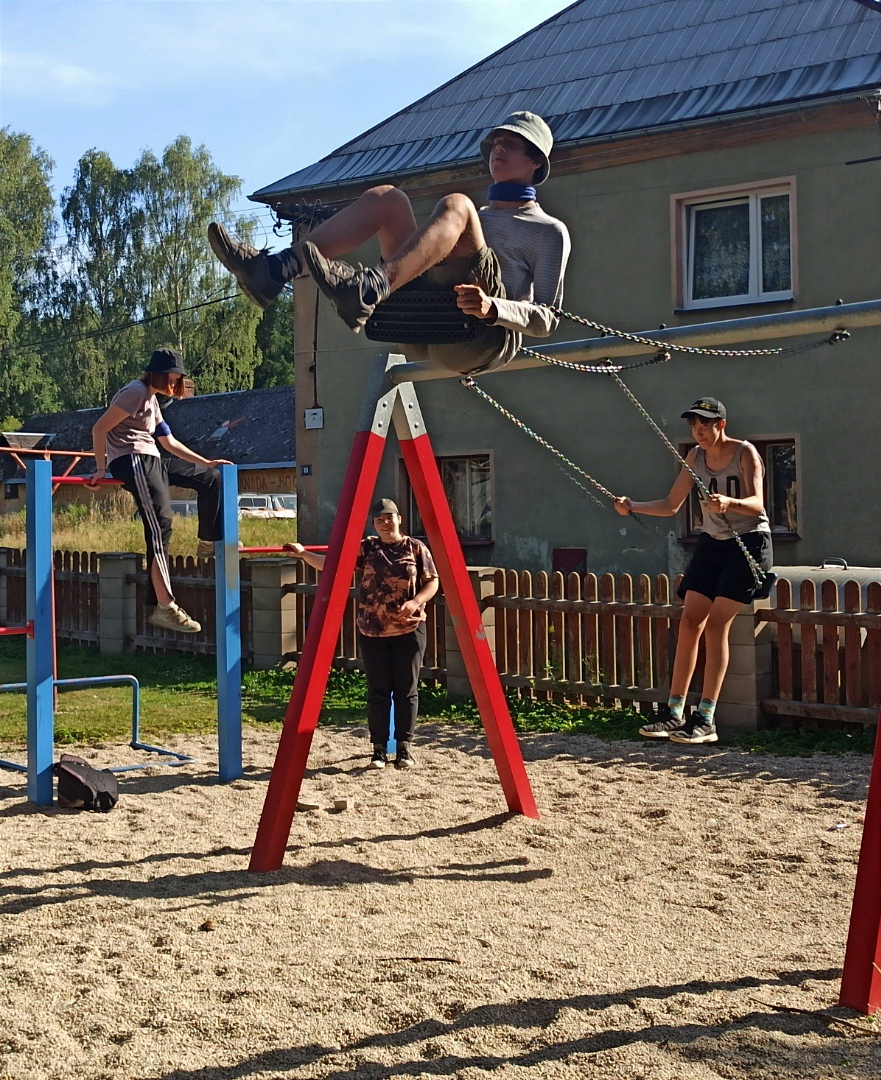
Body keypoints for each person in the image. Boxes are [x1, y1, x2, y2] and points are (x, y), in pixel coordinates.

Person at [208, 111, 571, 375]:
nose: (498, 149)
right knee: (388, 199)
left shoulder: (548, 230)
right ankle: (274, 270)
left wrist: (492, 307)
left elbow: (548, 319)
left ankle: (369, 290)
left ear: (535, 162)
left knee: (456, 204)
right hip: (422, 324)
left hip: (480, 338)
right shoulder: (473, 220)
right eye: (495, 144)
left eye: (511, 144)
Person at [613, 398, 773, 745]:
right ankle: (674, 712)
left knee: (716, 625)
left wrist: (730, 502)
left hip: (748, 543)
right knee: (690, 621)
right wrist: (633, 506)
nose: (698, 431)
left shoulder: (745, 453)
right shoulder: (694, 458)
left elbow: (758, 504)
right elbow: (671, 505)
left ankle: (706, 718)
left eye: (705, 424)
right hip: (712, 543)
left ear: (721, 425)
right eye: (693, 425)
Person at [285, 498, 439, 769]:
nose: (385, 523)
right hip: (373, 630)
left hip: (409, 628)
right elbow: (333, 566)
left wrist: (416, 602)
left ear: (399, 519)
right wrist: (303, 554)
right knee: (378, 690)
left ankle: (404, 748)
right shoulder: (367, 548)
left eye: (389, 517)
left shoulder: (415, 547)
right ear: (374, 524)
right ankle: (378, 749)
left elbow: (432, 581)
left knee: (406, 689)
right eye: (379, 520)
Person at [88, 348, 233, 634]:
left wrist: (205, 462)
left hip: (152, 459)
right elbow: (99, 428)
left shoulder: (151, 399)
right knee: (161, 524)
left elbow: (169, 442)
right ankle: (165, 607)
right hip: (132, 460)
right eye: (174, 378)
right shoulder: (134, 392)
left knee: (210, 478)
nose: (177, 384)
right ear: (160, 374)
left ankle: (207, 541)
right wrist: (101, 468)